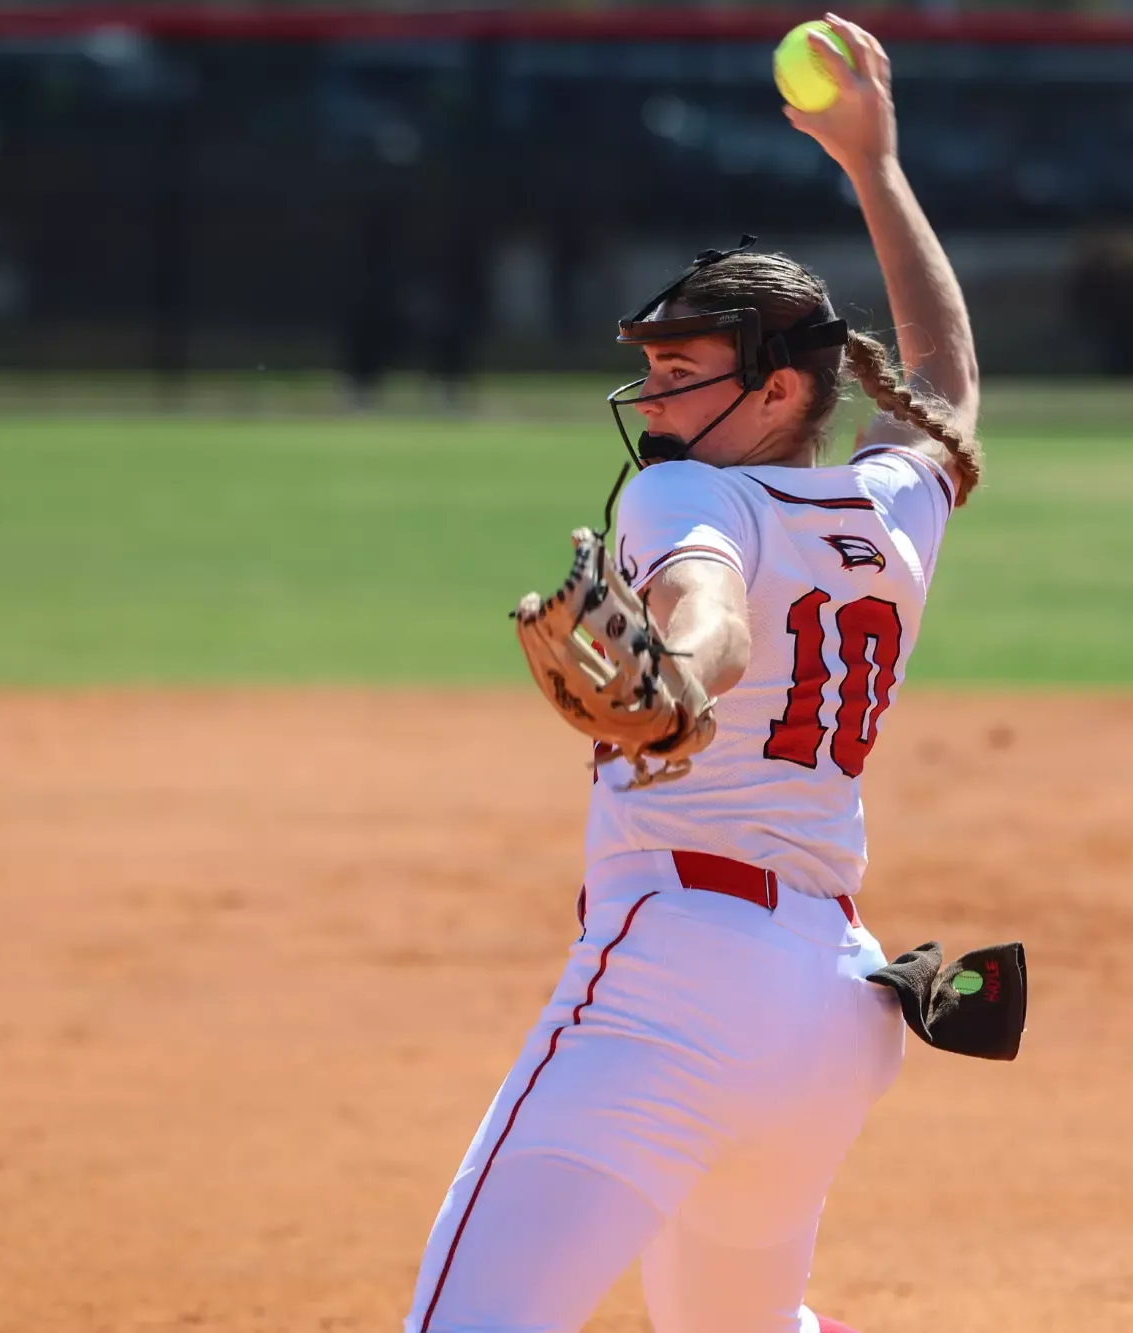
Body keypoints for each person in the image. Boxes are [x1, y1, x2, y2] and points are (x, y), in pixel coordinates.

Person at [404, 17, 982, 1333]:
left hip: (679, 982)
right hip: (833, 1012)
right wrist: (876, 167)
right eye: (650, 371)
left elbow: (701, 605)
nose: (652, 401)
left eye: (681, 371)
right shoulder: (887, 508)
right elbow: (945, 381)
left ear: (779, 390)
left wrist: (680, 668)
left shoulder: (688, 496)